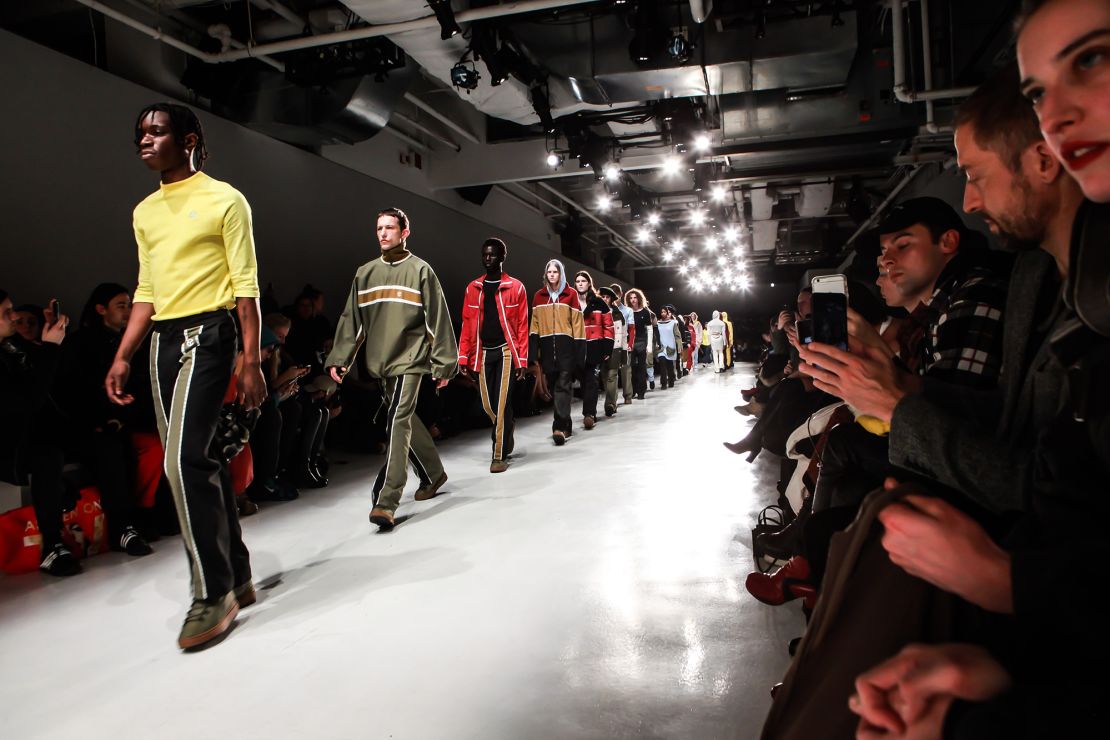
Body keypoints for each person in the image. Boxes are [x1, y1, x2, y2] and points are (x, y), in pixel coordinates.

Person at [105, 103, 265, 649]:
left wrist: (251, 360)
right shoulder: (145, 211)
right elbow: (147, 288)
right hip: (162, 341)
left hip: (210, 333)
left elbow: (246, 286)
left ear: (189, 138)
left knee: (179, 461)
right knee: (202, 458)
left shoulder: (225, 200)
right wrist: (124, 352)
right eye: (139, 134)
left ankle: (211, 593)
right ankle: (238, 574)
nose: (144, 141)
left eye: (156, 131)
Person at [326, 207, 458, 528]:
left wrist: (443, 363)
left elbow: (437, 320)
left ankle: (386, 499)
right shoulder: (365, 273)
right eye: (379, 228)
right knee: (404, 417)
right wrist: (341, 357)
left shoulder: (421, 271)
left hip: (410, 360)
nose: (383, 233)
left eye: (390, 228)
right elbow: (352, 320)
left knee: (397, 421)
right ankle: (433, 473)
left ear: (404, 232)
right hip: (380, 363)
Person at [60, 282, 153, 556]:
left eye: (130, 305)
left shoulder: (132, 344)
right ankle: (123, 527)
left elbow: (140, 388)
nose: (127, 311)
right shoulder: (81, 343)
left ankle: (145, 517)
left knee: (156, 448)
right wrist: (102, 420)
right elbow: (76, 390)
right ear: (101, 309)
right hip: (93, 425)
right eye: (121, 305)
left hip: (128, 421)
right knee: (112, 449)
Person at [0, 290, 79, 575]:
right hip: (12, 446)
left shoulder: (11, 348)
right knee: (47, 456)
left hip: (29, 438)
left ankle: (56, 538)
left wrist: (48, 338)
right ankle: (52, 544)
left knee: (54, 450)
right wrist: (49, 348)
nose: (15, 317)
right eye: (7, 313)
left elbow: (47, 378)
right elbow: (27, 400)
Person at [457, 238, 529, 473]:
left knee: (499, 403)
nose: (488, 258)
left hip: (507, 351)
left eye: (492, 255)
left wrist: (522, 359)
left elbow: (521, 326)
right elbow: (467, 326)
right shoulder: (472, 288)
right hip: (483, 353)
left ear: (502, 257)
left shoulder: (516, 287)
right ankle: (506, 425)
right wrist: (463, 357)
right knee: (490, 405)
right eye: (484, 254)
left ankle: (498, 456)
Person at [529, 259, 584, 445]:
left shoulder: (571, 295)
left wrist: (579, 351)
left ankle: (559, 427)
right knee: (556, 386)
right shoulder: (538, 296)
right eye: (549, 272)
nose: (552, 274)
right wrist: (532, 353)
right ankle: (565, 424)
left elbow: (578, 324)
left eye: (555, 272)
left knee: (563, 385)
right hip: (546, 350)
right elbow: (534, 326)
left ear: (561, 274)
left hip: (566, 347)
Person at [573, 270, 614, 429]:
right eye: (578, 281)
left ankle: (589, 414)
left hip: (594, 346)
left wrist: (607, 348)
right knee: (584, 381)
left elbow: (608, 326)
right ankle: (589, 410)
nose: (581, 283)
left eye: (584, 280)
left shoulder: (599, 302)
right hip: (576, 347)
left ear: (589, 283)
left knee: (591, 381)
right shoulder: (571, 302)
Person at [598, 286, 627, 417]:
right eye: (602, 296)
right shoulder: (596, 312)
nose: (604, 299)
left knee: (612, 376)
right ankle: (613, 402)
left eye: (607, 297)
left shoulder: (617, 314)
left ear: (611, 299)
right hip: (600, 348)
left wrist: (624, 353)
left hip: (615, 348)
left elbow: (623, 334)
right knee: (605, 377)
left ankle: (609, 404)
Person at [610, 284, 636, 405]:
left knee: (626, 370)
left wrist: (630, 343)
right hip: (612, 343)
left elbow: (631, 328)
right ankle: (612, 400)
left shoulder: (628, 310)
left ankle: (628, 396)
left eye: (617, 295)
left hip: (624, 343)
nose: (615, 298)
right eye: (612, 295)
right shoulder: (607, 310)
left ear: (621, 295)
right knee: (612, 371)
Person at [625, 288, 652, 399]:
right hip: (629, 342)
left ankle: (641, 391)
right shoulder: (627, 312)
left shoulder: (645, 312)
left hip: (641, 342)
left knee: (641, 367)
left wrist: (649, 345)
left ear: (639, 298)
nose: (633, 300)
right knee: (631, 368)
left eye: (635, 297)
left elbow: (650, 329)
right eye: (631, 298)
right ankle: (634, 390)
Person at [653, 305, 682, 389]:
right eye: (661, 312)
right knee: (662, 365)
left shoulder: (673, 323)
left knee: (670, 366)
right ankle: (663, 383)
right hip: (661, 348)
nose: (663, 313)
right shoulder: (657, 324)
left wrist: (679, 346)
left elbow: (677, 336)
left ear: (667, 312)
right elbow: (655, 336)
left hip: (671, 347)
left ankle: (671, 381)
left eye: (664, 312)